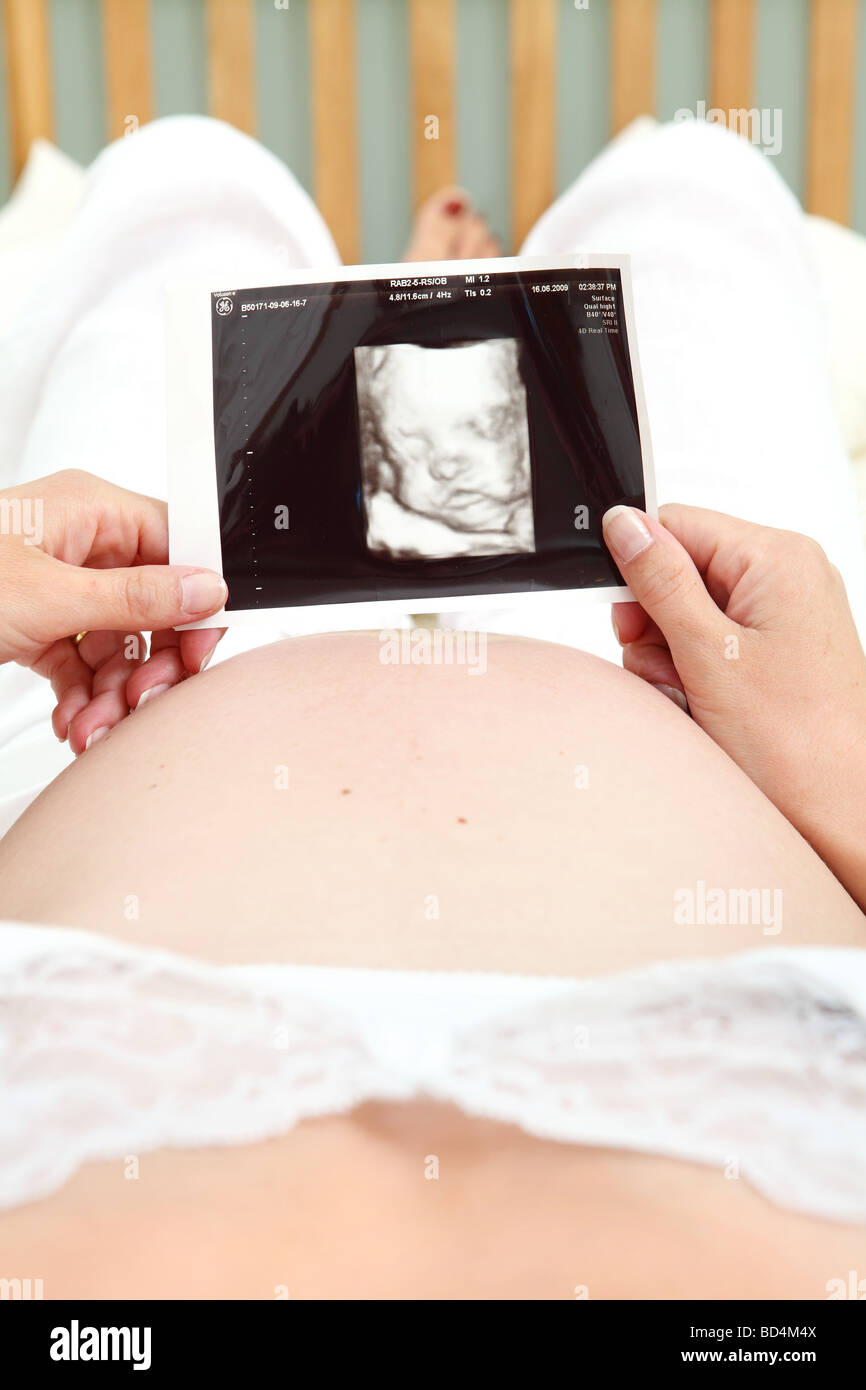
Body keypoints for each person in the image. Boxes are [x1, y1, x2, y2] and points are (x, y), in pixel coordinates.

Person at [0, 116, 863, 1300]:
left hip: (101, 706)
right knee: (693, 177)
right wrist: (839, 762)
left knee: (183, 171)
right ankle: (460, 300)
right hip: (699, 712)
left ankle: (410, 300)